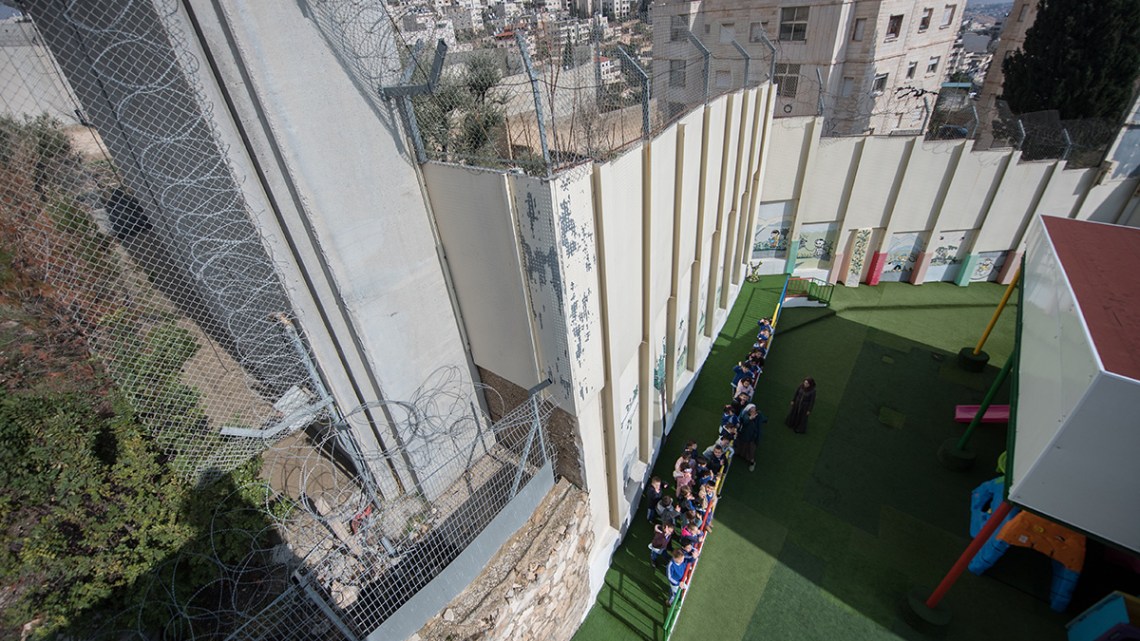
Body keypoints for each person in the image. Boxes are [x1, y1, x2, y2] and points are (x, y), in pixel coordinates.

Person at [738, 404, 767, 471]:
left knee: (751, 449)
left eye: (754, 410)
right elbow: (744, 421)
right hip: (745, 434)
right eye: (751, 410)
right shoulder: (745, 414)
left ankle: (752, 462)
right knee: (743, 445)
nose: (753, 411)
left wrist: (763, 419)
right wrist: (750, 418)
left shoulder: (758, 415)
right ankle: (742, 455)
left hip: (753, 436)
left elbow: (763, 419)